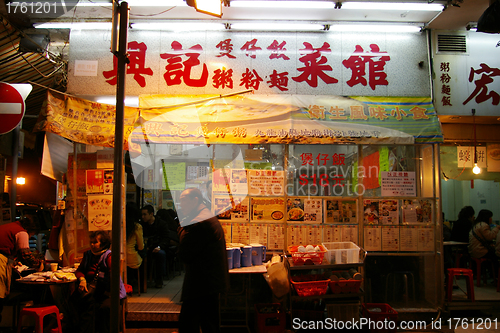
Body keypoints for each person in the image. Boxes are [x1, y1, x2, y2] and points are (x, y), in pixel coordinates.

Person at [177, 188, 229, 333]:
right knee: (208, 323)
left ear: (195, 200)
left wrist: (181, 230)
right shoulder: (206, 217)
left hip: (201, 284)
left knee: (190, 323)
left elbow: (185, 253)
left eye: (183, 201)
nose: (181, 205)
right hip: (207, 283)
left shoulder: (199, 222)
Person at [69, 230, 127, 333]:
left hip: (106, 291)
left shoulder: (109, 256)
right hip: (90, 288)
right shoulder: (88, 254)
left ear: (103, 243)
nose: (92, 244)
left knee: (103, 308)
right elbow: (80, 270)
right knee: (73, 301)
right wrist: (82, 279)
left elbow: (112, 276)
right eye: (91, 242)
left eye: (95, 242)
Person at [0, 217, 44, 322]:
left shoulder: (10, 226)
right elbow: (26, 255)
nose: (31, 237)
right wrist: (39, 265)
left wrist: (12, 262)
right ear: (31, 230)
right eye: (32, 235)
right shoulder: (22, 232)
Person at [141, 205, 170, 288]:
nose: (143, 217)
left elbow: (166, 238)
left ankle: (159, 279)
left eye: (145, 214)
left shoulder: (161, 223)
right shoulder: (142, 225)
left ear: (151, 214)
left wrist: (159, 246)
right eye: (142, 215)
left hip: (157, 246)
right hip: (145, 247)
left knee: (160, 254)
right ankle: (141, 280)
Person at [469, 210, 500, 276]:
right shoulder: (483, 225)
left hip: (474, 250)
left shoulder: (476, 225)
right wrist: (497, 228)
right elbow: (490, 236)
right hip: (480, 251)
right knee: (496, 256)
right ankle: (496, 275)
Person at [126, 203, 144, 270]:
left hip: (116, 257)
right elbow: (141, 247)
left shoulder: (118, 224)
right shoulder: (137, 227)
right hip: (132, 258)